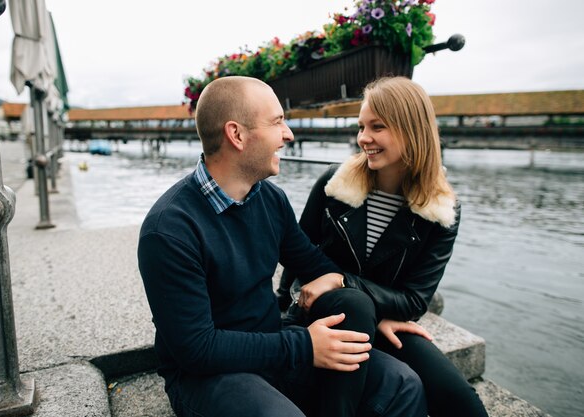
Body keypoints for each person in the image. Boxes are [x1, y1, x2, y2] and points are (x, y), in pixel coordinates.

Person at [138, 75, 427, 417]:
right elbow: (197, 349)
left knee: (403, 384)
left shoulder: (270, 200)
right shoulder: (169, 229)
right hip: (207, 375)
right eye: (277, 122)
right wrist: (304, 345)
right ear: (237, 135)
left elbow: (317, 267)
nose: (288, 134)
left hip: (272, 343)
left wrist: (372, 315)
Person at [277, 76, 489, 417]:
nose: (364, 138)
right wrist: (287, 310)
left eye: (377, 127)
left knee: (462, 403)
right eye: (361, 126)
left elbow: (416, 299)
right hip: (323, 311)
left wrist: (343, 281)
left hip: (380, 319)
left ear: (412, 130)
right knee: (354, 319)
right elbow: (296, 253)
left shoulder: (441, 210)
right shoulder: (335, 183)